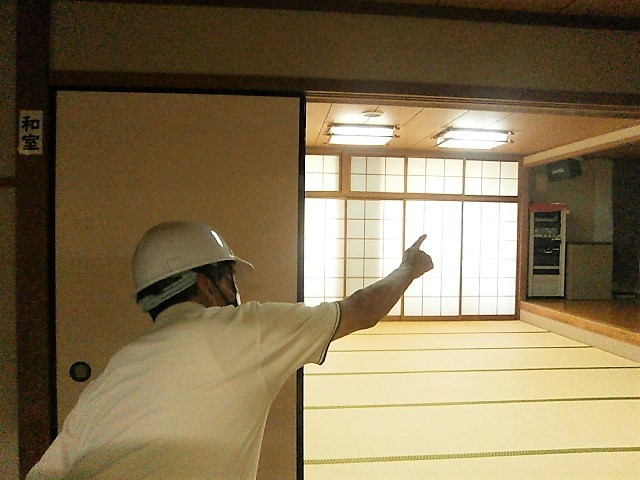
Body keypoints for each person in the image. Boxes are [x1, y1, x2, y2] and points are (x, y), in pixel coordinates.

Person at [27, 220, 433, 479]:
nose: (236, 290)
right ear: (207, 284)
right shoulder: (245, 330)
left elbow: (48, 470)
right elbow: (361, 310)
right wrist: (408, 268)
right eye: (230, 278)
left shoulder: (119, 367)